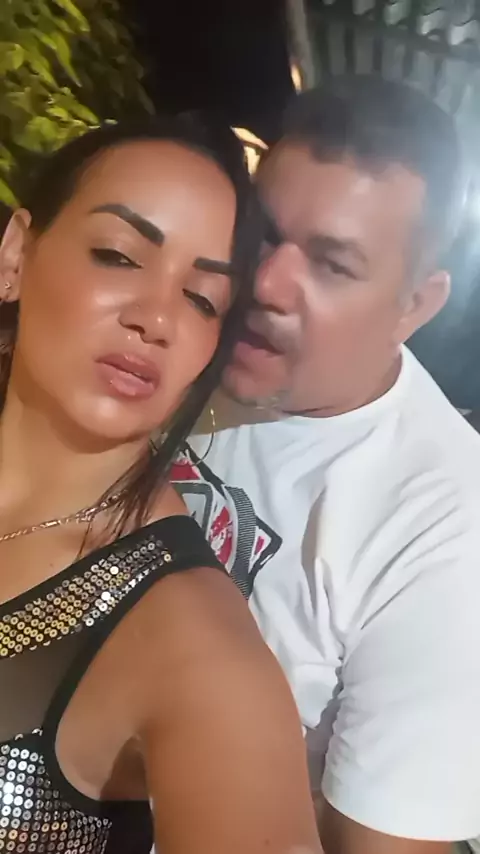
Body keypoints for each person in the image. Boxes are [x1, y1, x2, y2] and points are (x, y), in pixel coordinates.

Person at [172, 77, 480, 853]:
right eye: (263, 233)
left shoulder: (443, 529)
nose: (266, 283)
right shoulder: (178, 330)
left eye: (333, 265)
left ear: (415, 305)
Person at [0, 115, 322, 854]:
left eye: (203, 299)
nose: (156, 318)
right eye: (118, 256)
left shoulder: (197, 648)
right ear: (15, 254)